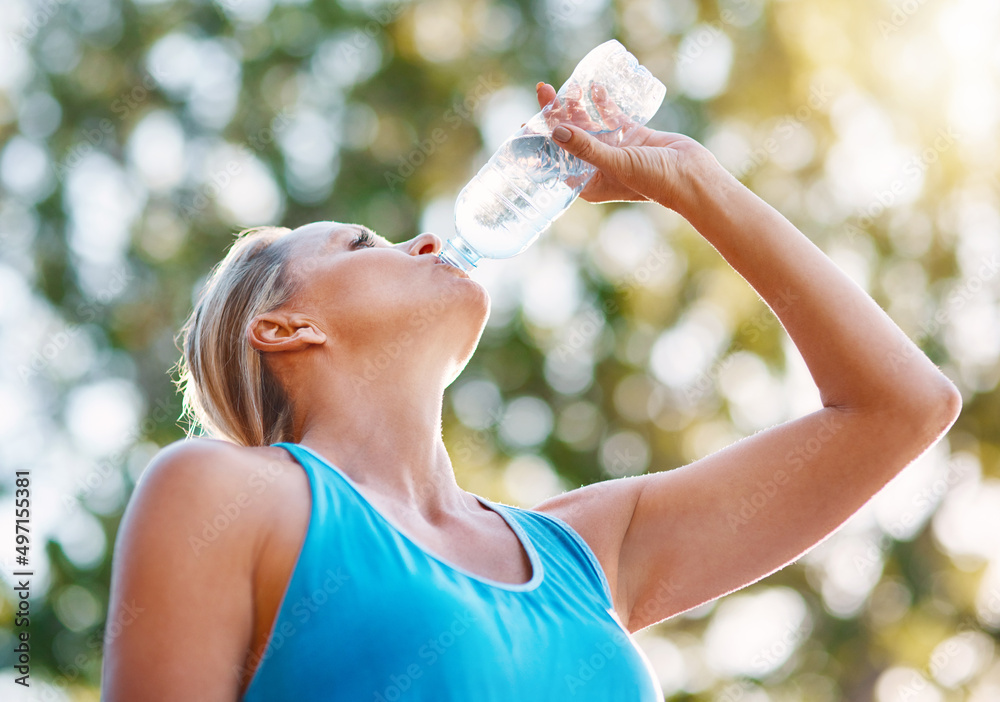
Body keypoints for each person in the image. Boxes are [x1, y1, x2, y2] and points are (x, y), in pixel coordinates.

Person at [101, 80, 962, 701]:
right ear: (286, 329)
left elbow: (900, 407)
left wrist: (696, 184)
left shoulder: (589, 554)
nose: (428, 242)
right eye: (365, 243)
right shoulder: (222, 495)